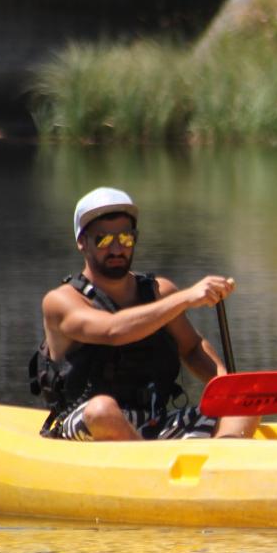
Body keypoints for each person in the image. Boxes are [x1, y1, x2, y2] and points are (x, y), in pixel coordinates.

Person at [29, 186, 258, 441]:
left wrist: (228, 389)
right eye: (103, 239)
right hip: (87, 422)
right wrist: (183, 298)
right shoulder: (61, 301)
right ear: (82, 242)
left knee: (244, 406)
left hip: (154, 420)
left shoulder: (159, 292)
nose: (117, 248)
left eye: (125, 238)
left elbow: (192, 348)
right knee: (102, 409)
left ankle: (218, 466)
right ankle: (151, 469)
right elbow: (112, 330)